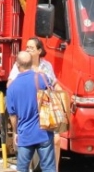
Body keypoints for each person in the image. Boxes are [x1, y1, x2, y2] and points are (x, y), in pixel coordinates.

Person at [8, 38, 66, 172]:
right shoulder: (42, 78)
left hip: (25, 134)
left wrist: (16, 132)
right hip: (44, 132)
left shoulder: (12, 87)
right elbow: (53, 92)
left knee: (22, 168)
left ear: (18, 65)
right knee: (48, 168)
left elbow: (13, 116)